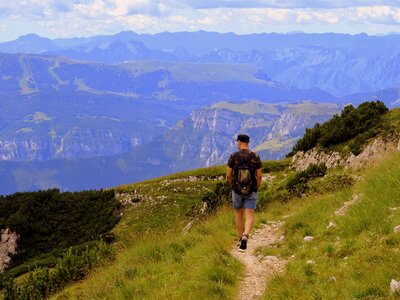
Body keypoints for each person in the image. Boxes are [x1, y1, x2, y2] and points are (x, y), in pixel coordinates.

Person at [226, 134, 262, 250]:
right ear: (248, 143)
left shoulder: (233, 156)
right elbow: (259, 176)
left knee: (238, 214)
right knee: (250, 213)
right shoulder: (255, 156)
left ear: (240, 142)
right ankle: (246, 235)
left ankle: (240, 238)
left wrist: (233, 186)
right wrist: (256, 187)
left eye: (237, 142)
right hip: (251, 189)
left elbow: (228, 175)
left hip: (237, 190)